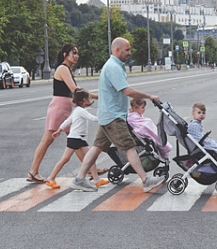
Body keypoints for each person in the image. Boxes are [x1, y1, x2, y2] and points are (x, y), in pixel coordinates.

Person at [69, 37, 165, 192]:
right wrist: (149, 96)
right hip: (113, 117)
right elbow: (126, 91)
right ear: (117, 50)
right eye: (127, 49)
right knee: (130, 146)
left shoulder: (114, 66)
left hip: (108, 115)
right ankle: (146, 181)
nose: (129, 52)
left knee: (96, 148)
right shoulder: (113, 67)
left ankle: (79, 179)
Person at [27, 43, 99, 183]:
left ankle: (90, 169)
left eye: (77, 53)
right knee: (48, 140)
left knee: (76, 140)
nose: (76, 56)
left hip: (65, 108)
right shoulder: (62, 68)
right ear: (65, 55)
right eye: (74, 53)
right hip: (59, 108)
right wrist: (94, 96)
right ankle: (33, 171)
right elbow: (75, 90)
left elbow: (76, 91)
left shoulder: (68, 70)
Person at [46, 88, 109, 189]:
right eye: (88, 99)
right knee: (66, 159)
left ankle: (97, 180)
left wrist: (59, 130)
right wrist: (105, 117)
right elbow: (93, 118)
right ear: (83, 100)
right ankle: (51, 178)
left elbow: (67, 121)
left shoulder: (77, 111)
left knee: (90, 157)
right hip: (76, 139)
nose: (89, 100)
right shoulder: (81, 111)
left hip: (78, 138)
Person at [187, 102, 217, 167]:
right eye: (199, 113)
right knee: (214, 145)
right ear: (193, 114)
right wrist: (206, 140)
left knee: (213, 143)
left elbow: (198, 134)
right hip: (198, 145)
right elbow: (197, 137)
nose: (201, 115)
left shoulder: (196, 123)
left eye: (203, 113)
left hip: (198, 143)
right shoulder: (194, 125)